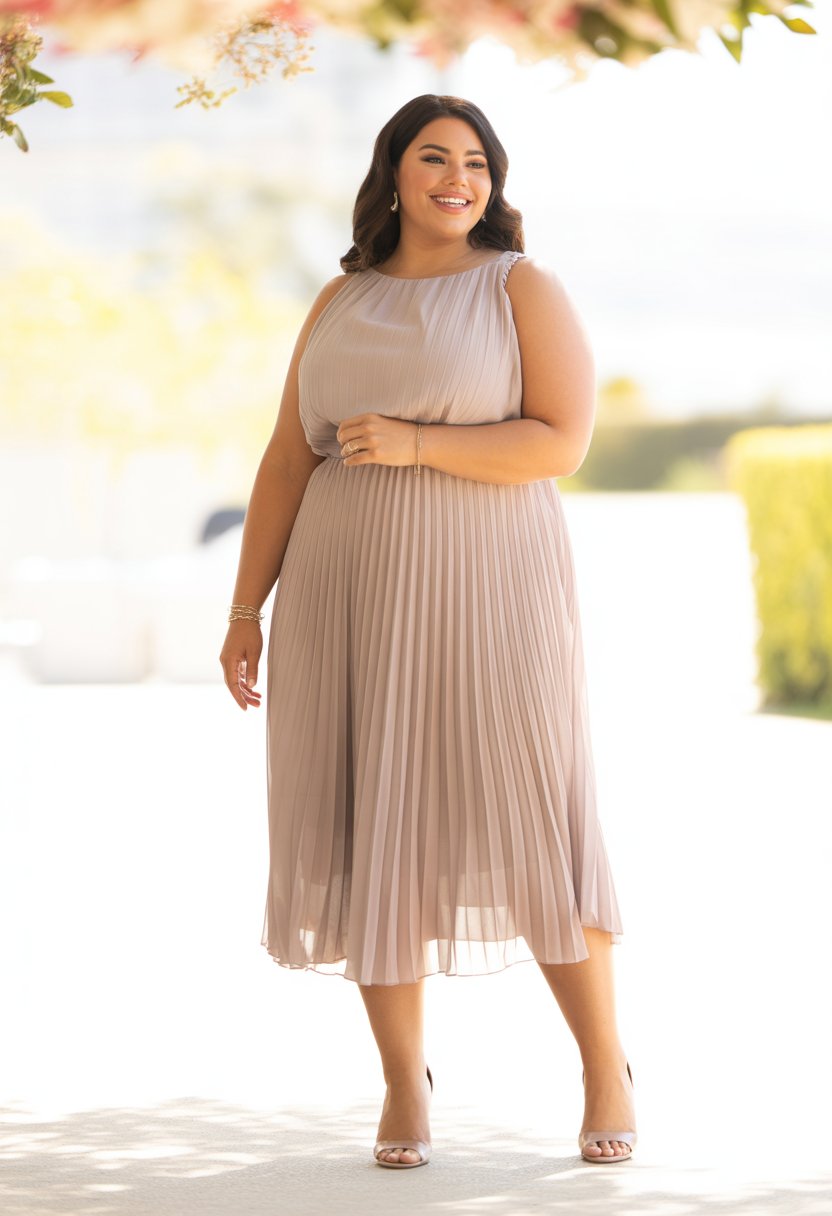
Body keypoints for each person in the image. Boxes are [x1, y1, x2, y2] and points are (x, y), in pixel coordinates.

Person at [219, 93, 637, 1169]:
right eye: (433, 157)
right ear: (393, 173)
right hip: (341, 597)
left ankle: (602, 1063)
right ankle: (405, 1085)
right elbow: (284, 460)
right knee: (370, 826)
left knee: (534, 817)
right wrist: (244, 610)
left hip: (492, 591)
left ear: (492, 185)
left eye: (477, 164)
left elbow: (560, 443)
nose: (458, 178)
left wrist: (415, 443)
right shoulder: (340, 297)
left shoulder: (518, 288)